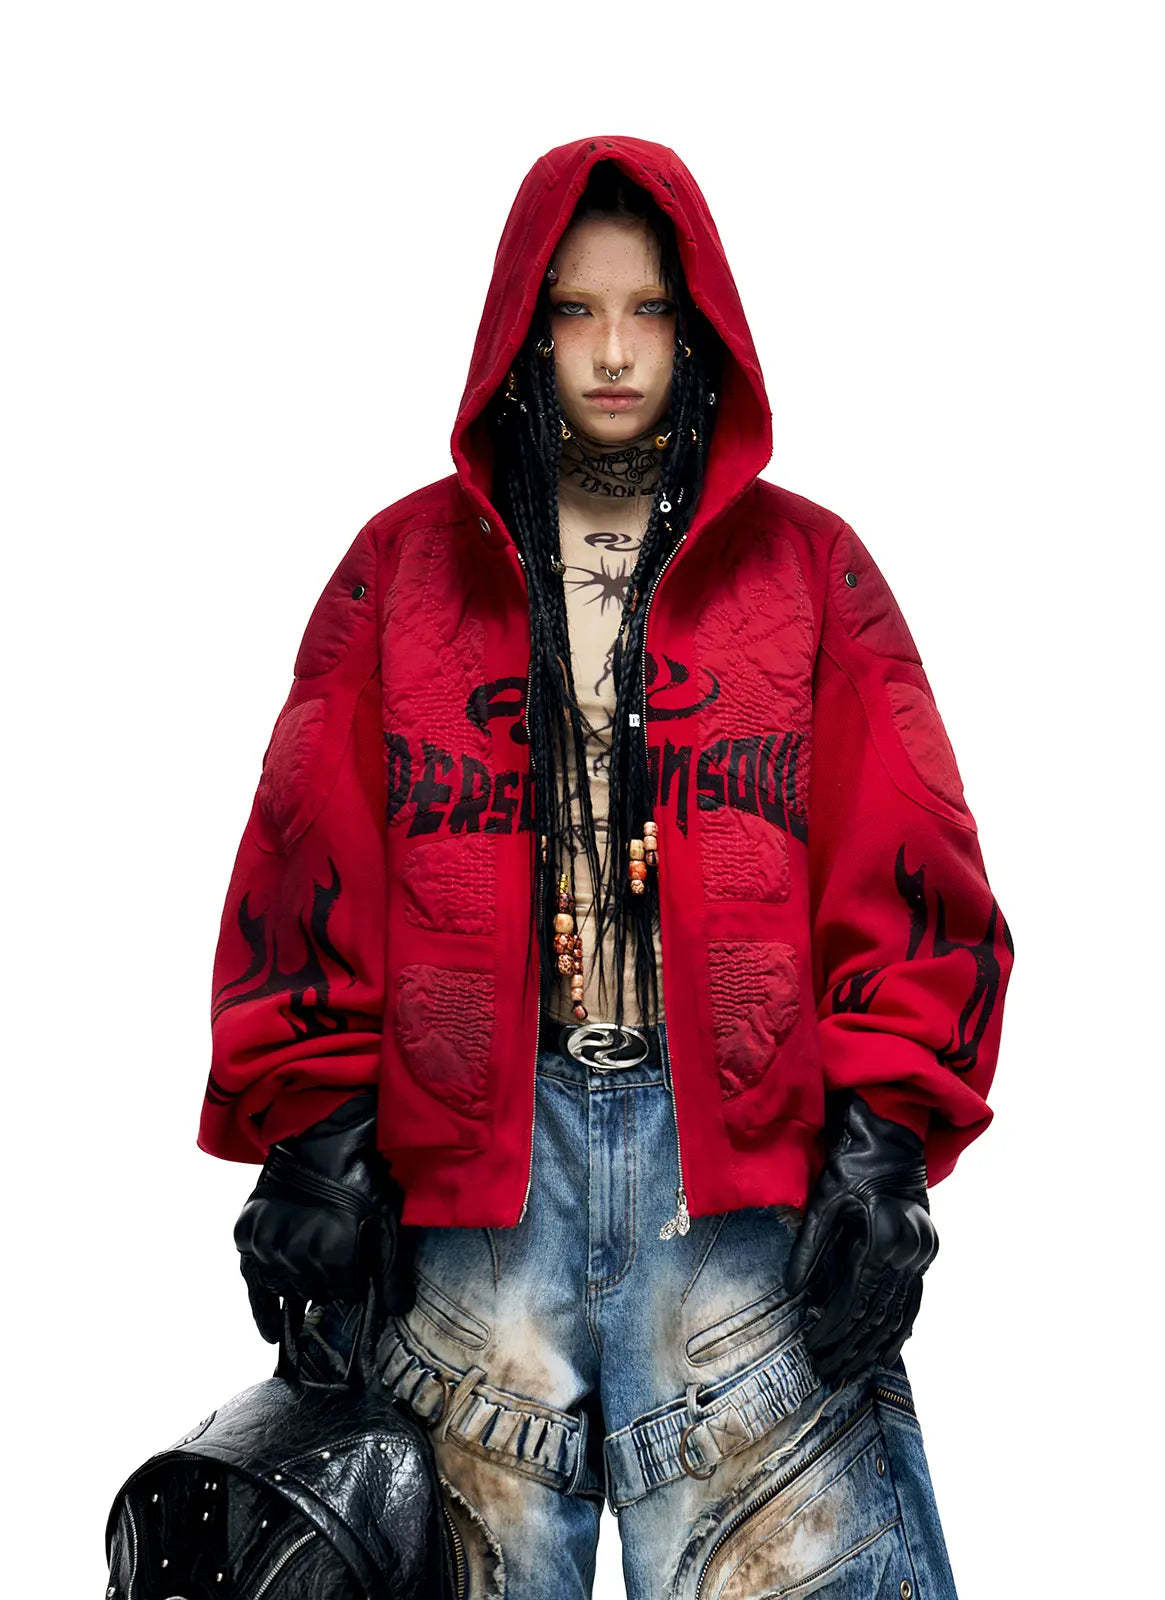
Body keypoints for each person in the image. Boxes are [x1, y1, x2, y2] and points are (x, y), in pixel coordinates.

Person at [204, 136, 1014, 1598]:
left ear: (699, 327)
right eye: (577, 309)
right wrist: (315, 1133)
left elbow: (910, 855)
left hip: (741, 1200)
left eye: (649, 309)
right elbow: (306, 851)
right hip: (472, 1198)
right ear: (524, 328)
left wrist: (883, 1143)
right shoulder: (401, 572)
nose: (617, 350)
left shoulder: (810, 572)